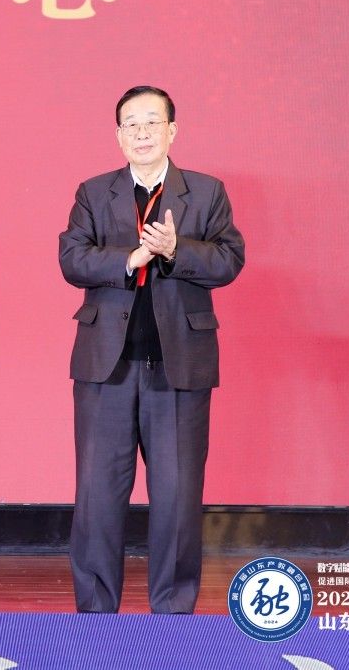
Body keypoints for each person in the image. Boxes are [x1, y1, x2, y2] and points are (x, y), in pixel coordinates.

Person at [59, 85, 245, 614]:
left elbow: (228, 261)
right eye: (131, 124)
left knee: (177, 495)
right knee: (97, 494)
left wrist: (176, 250)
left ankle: (172, 613)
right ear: (119, 135)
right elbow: (72, 259)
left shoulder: (205, 192)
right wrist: (131, 258)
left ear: (172, 130)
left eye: (151, 122)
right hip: (107, 367)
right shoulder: (94, 192)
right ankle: (97, 613)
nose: (141, 133)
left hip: (178, 365)